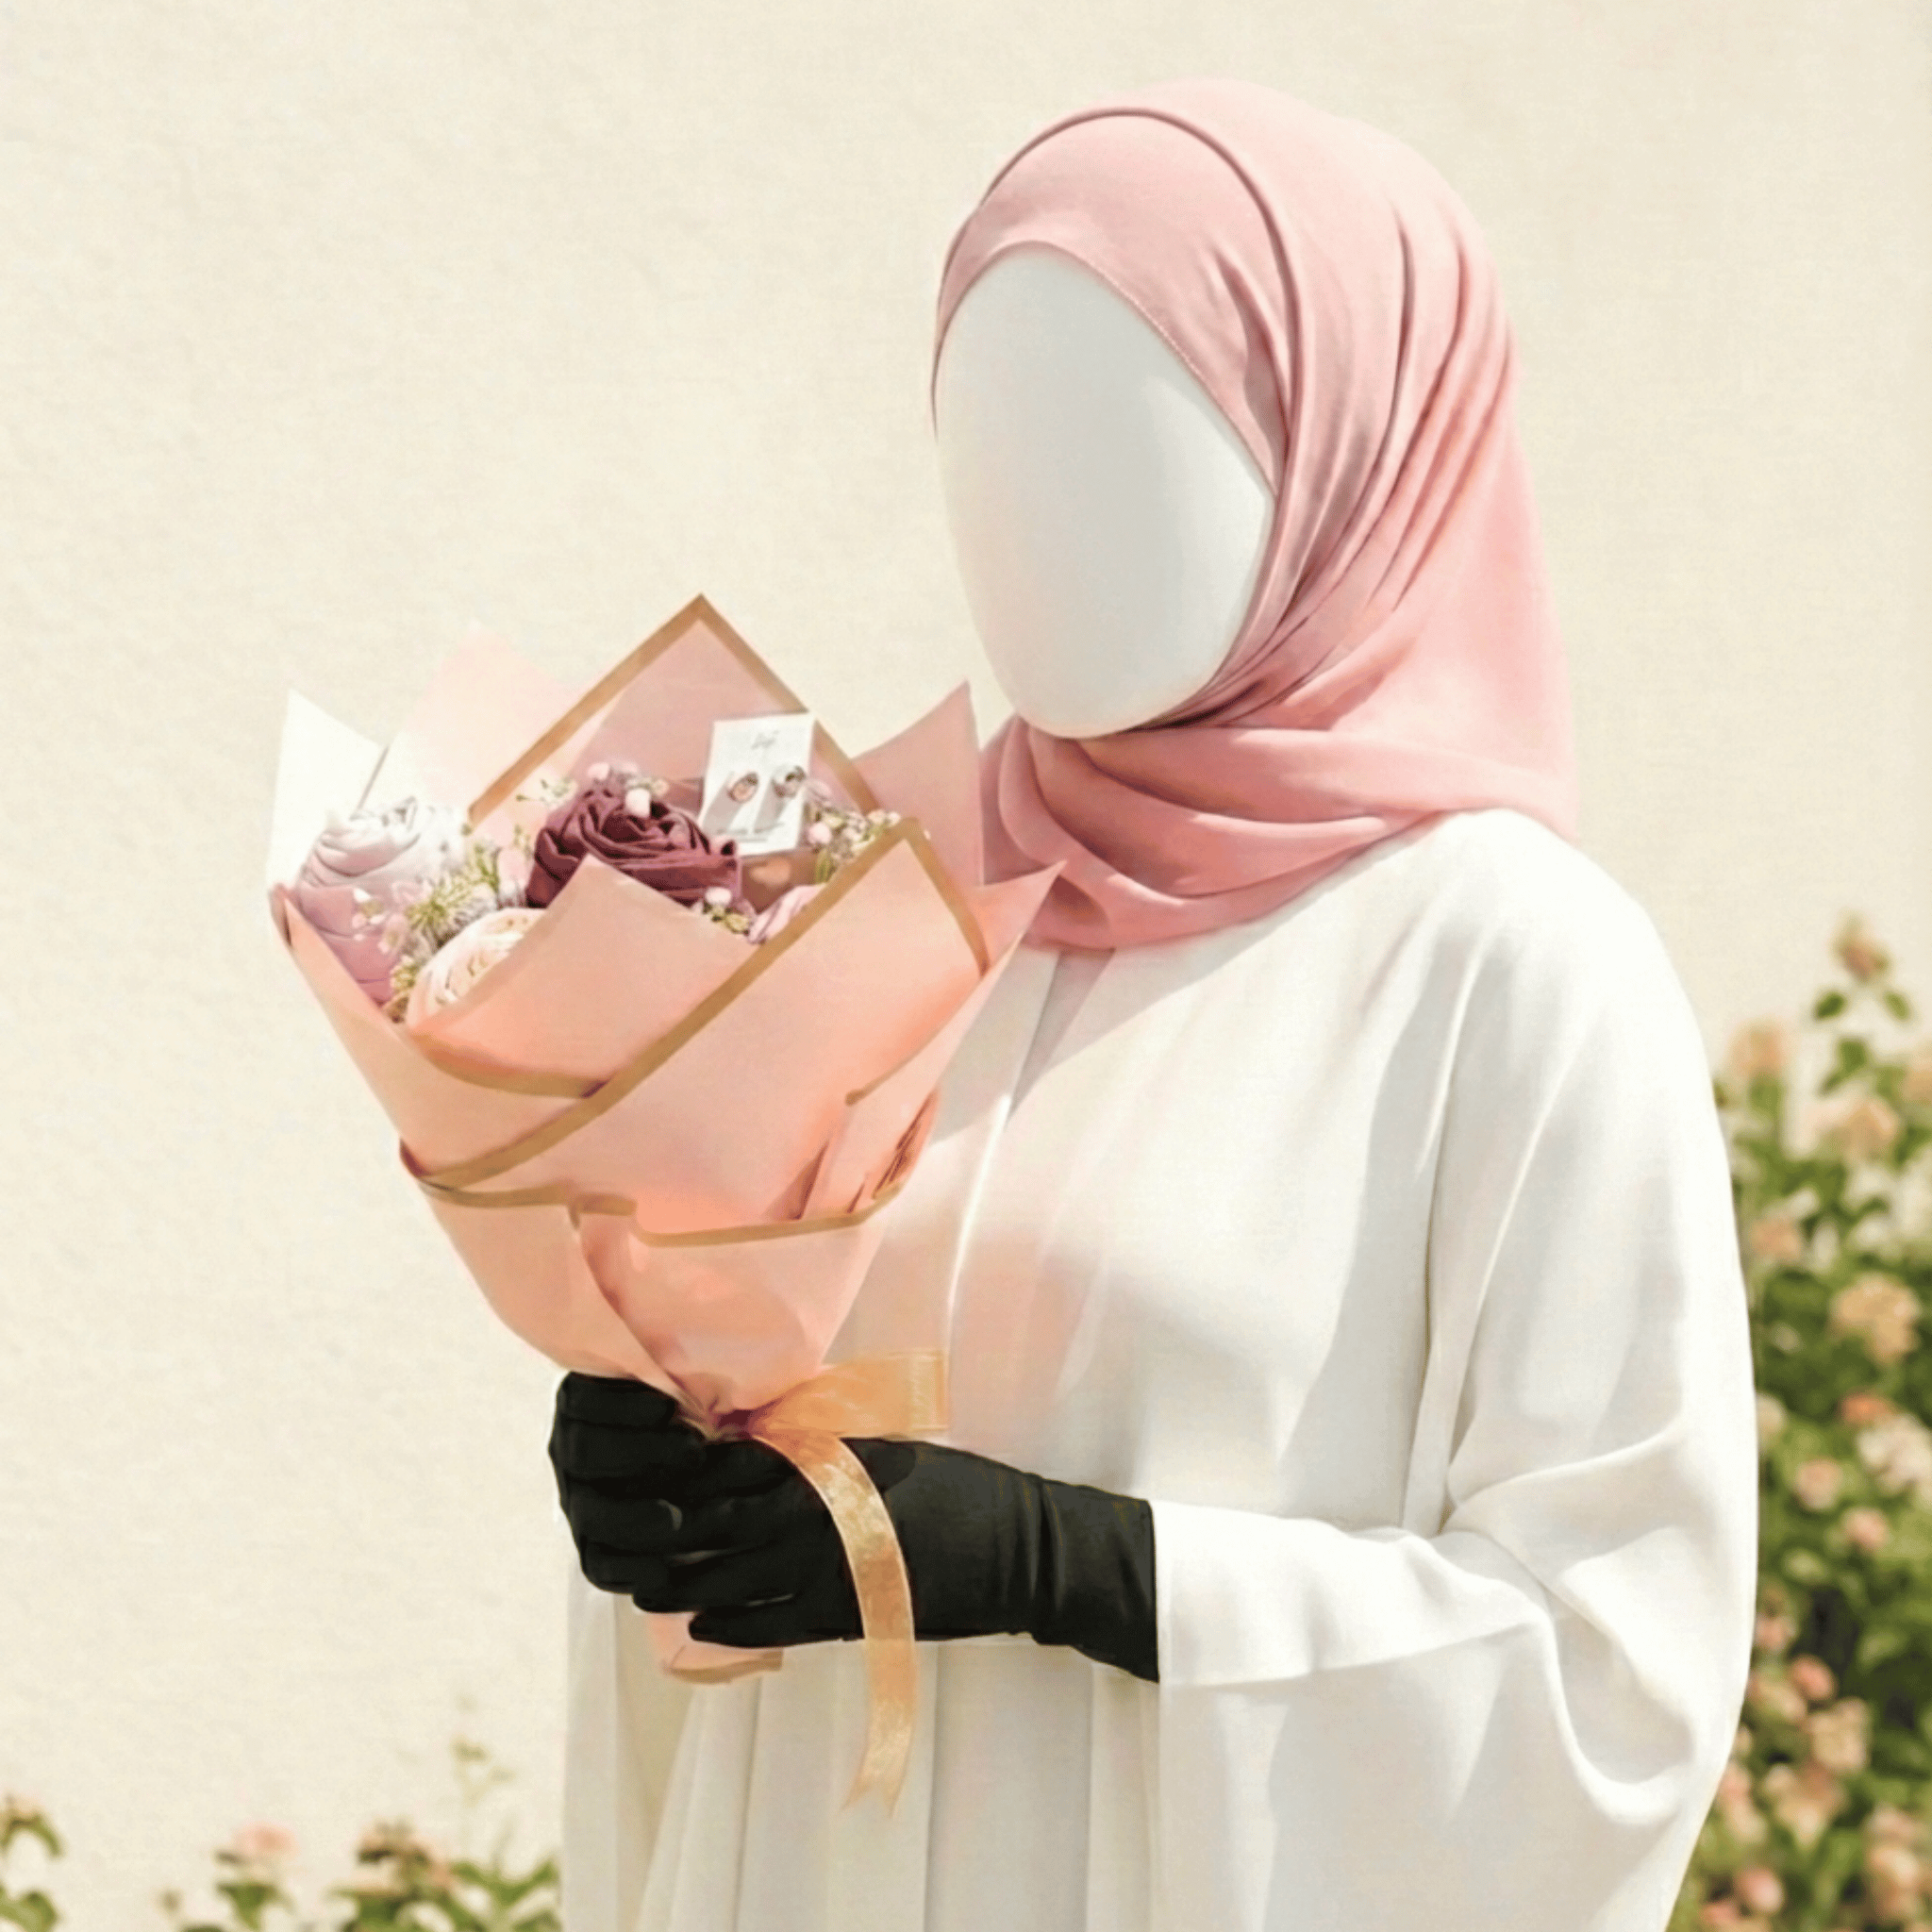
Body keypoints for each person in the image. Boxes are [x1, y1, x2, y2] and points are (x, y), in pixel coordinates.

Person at [551, 76, 1759, 1932]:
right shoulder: (883, 903)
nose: (1049, 502)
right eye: (997, 417)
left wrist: (1070, 1568)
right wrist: (659, 1486)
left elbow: (1608, 1674)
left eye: (1151, 420)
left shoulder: (1509, 966)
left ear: (1362, 459)